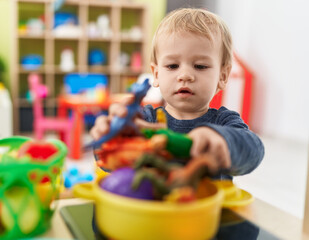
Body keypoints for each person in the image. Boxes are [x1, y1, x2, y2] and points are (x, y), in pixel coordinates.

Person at [90, 8, 264, 179]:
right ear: (156, 74)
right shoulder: (145, 120)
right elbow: (107, 163)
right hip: (152, 206)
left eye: (200, 66)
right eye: (173, 66)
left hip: (205, 207)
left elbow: (253, 151)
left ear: (223, 76)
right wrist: (110, 136)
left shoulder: (224, 122)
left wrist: (222, 140)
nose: (185, 75)